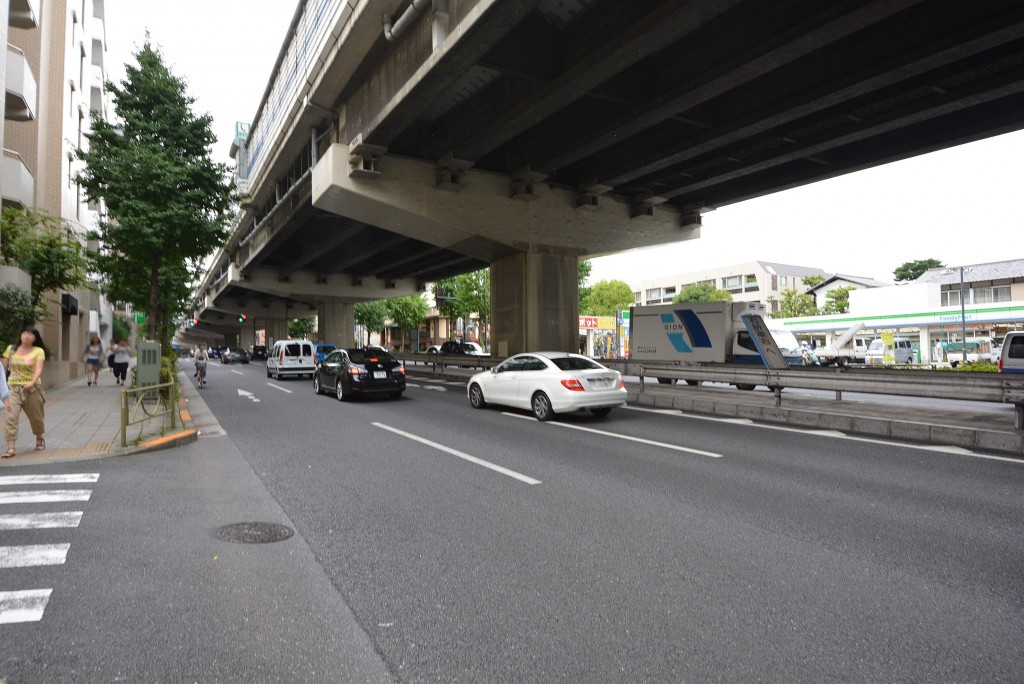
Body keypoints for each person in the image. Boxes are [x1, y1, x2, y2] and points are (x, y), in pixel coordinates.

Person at [2, 326, 48, 458]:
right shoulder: (11, 350)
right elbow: (3, 369)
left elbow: (39, 368)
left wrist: (32, 382)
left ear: (35, 338)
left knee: (36, 417)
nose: (27, 336)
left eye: (31, 334)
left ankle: (39, 437)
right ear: (21, 335)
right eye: (25, 333)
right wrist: (3, 387)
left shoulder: (38, 351)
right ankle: (11, 448)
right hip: (14, 389)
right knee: (11, 417)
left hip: (32, 389)